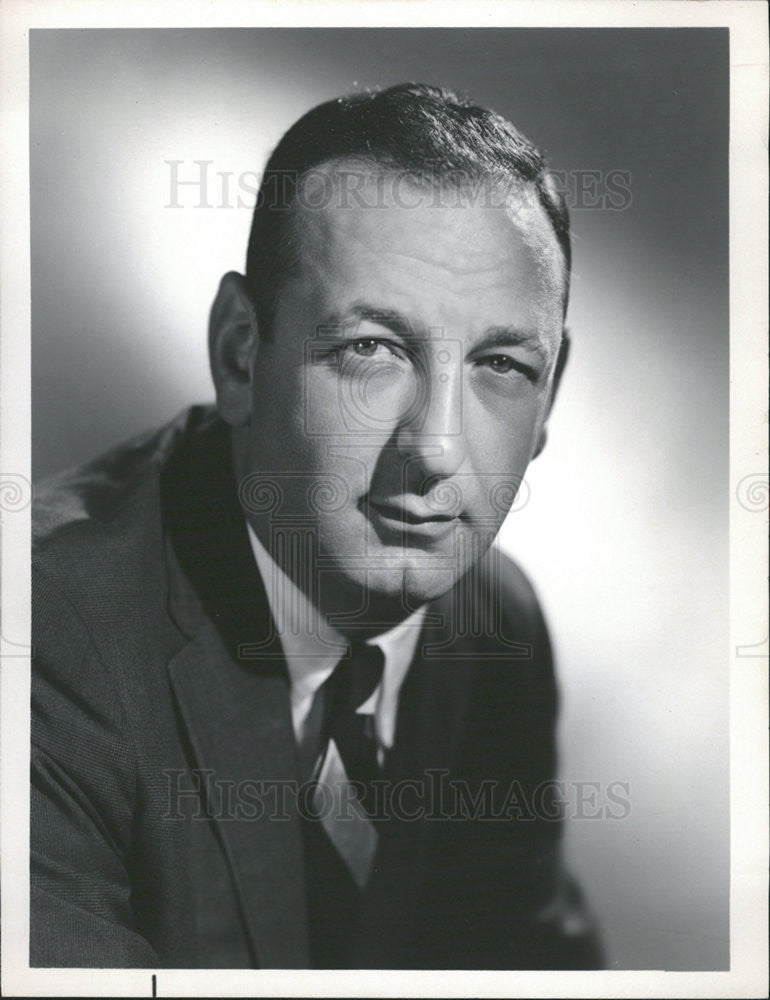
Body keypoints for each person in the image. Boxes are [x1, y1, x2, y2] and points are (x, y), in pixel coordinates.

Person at [31, 82, 602, 969]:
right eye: (371, 349)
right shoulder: (42, 640)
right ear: (241, 354)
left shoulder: (496, 629)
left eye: (499, 363)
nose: (437, 449)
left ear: (551, 393)